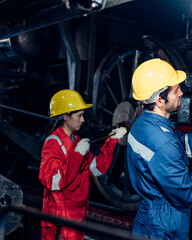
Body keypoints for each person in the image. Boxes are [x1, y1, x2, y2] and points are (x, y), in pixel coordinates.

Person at [127, 58, 192, 239]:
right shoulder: (161, 141)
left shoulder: (144, 125)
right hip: (163, 225)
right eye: (175, 90)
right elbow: (189, 194)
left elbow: (183, 147)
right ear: (160, 100)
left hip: (151, 216)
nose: (181, 92)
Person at [38, 89, 127, 240]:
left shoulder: (77, 141)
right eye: (79, 115)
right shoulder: (53, 143)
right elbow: (53, 182)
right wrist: (77, 155)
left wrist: (111, 141)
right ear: (65, 116)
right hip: (60, 219)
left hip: (76, 216)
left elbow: (97, 168)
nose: (83, 120)